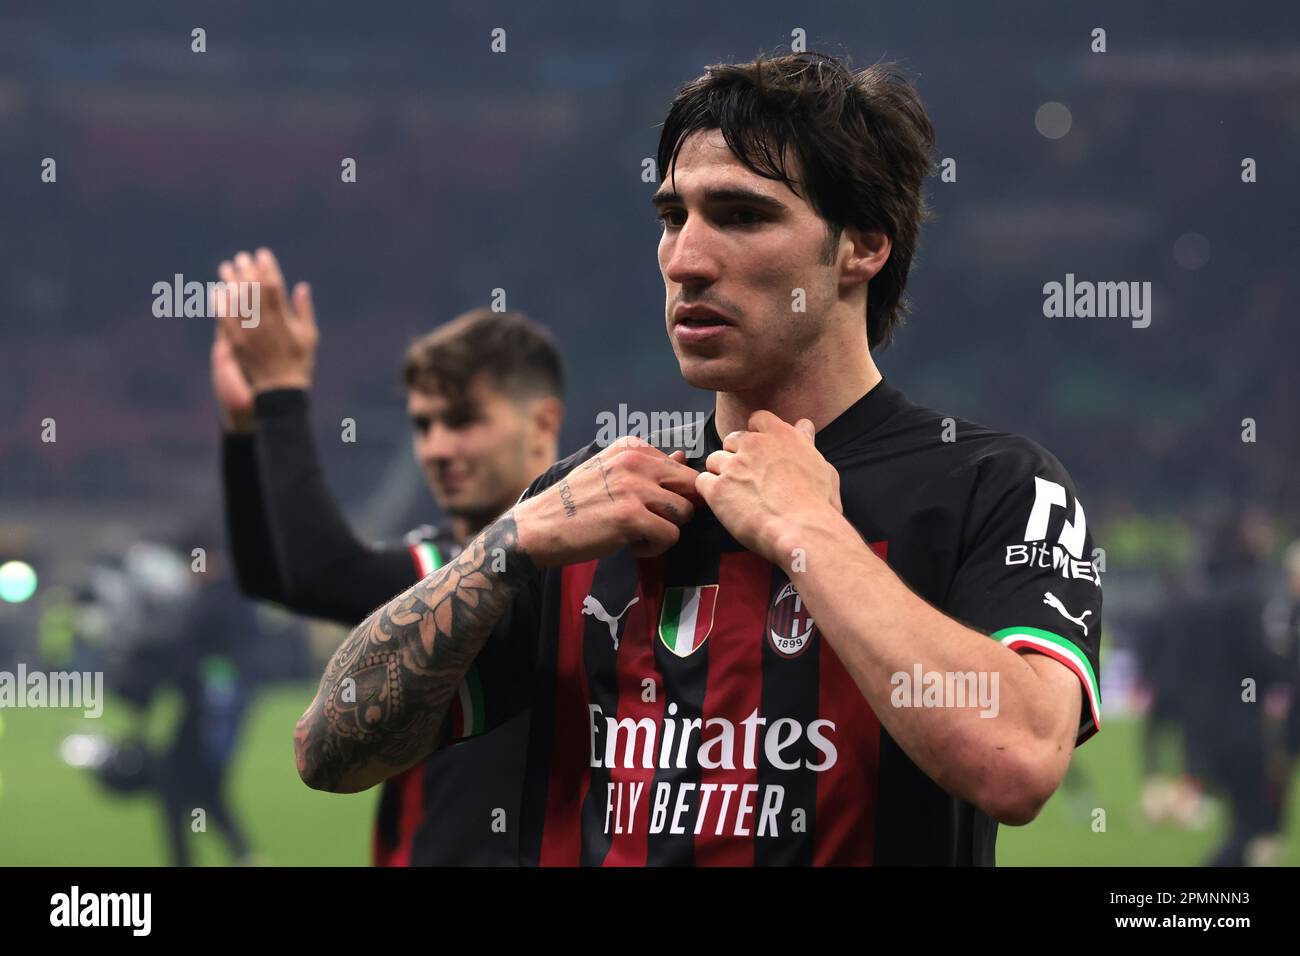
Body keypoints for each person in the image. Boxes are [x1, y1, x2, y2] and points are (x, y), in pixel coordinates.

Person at [295, 51, 1103, 866]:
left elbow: (1019, 761)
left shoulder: (990, 487)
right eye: (673, 216)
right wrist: (510, 542)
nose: (686, 259)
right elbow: (330, 749)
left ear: (862, 247)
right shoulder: (583, 510)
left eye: (742, 216)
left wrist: (806, 532)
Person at [213, 254, 564, 865]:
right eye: (423, 426)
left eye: (462, 421)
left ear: (543, 422)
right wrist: (245, 433)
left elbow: (319, 569)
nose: (437, 449)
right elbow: (276, 575)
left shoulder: (571, 574)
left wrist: (281, 393)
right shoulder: (439, 559)